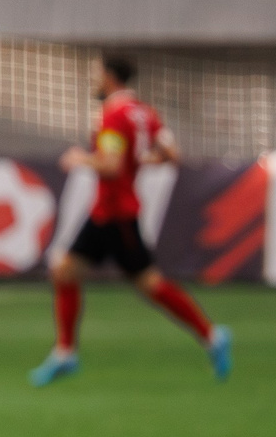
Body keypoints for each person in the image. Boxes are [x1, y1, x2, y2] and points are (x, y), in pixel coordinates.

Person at [31, 55, 231, 386]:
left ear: (110, 77)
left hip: (117, 214)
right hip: (106, 213)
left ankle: (211, 336)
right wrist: (137, 161)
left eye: (97, 73)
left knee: (149, 284)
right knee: (64, 271)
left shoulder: (112, 115)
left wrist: (80, 158)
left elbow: (111, 166)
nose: (94, 80)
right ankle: (65, 353)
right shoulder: (143, 112)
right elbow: (171, 155)